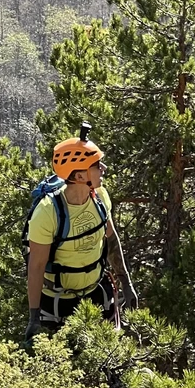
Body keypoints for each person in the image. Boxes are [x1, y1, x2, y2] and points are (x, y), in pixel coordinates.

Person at [25, 134, 138, 344]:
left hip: (97, 294)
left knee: (106, 357)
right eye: (96, 165)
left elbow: (111, 240)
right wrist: (34, 318)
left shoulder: (100, 197)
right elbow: (36, 267)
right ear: (78, 176)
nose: (103, 168)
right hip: (57, 302)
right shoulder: (47, 212)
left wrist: (126, 283)